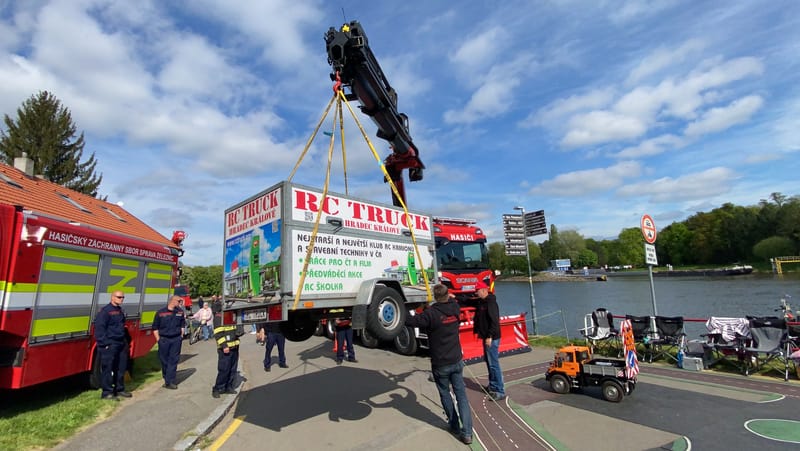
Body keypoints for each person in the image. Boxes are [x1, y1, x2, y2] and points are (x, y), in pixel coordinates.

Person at [405, 284, 473, 444]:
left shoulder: (431, 314)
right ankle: (467, 433)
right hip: (456, 360)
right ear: (447, 295)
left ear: (435, 297)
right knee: (461, 396)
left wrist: (406, 306)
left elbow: (410, 321)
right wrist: (451, 298)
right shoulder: (454, 308)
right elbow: (456, 301)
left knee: (445, 394)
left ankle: (454, 426)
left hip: (440, 363)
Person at [457, 280, 505, 401]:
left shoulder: (490, 303)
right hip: (486, 336)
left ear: (484, 290)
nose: (476, 293)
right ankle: (493, 385)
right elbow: (468, 301)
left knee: (493, 364)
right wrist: (455, 297)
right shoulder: (481, 301)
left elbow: (494, 321)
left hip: (491, 338)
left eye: (477, 291)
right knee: (489, 362)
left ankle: (499, 390)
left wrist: (489, 336)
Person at [93, 290, 132, 400]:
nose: (121, 299)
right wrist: (105, 344)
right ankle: (107, 392)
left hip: (121, 343)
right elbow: (100, 329)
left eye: (123, 297)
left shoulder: (120, 311)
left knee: (121, 368)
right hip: (110, 343)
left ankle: (119, 389)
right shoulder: (105, 312)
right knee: (107, 369)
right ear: (112, 297)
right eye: (119, 297)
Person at [152, 295, 186, 389]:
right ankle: (166, 378)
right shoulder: (160, 312)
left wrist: (181, 335)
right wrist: (158, 339)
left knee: (173, 360)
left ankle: (170, 381)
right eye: (179, 301)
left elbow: (182, 324)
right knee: (164, 360)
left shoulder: (180, 312)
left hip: (176, 339)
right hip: (164, 339)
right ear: (172, 301)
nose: (180, 303)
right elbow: (155, 327)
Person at [212, 302, 241, 398]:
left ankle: (228, 387)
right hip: (225, 349)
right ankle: (217, 388)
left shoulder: (230, 316)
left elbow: (236, 329)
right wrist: (224, 346)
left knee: (232, 369)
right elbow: (218, 334)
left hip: (234, 347)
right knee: (224, 370)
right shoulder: (218, 318)